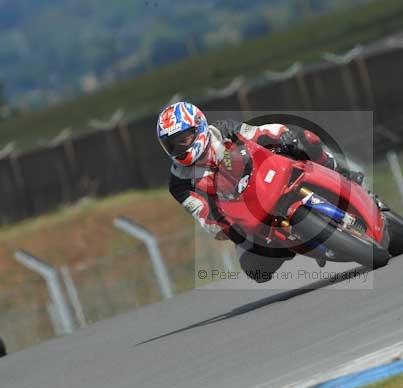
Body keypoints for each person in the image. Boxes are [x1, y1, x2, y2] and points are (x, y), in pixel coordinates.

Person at [157, 101, 377, 282]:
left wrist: (282, 135)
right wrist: (225, 226)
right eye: (172, 145)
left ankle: (342, 173)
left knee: (305, 141)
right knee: (256, 270)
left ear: (199, 127)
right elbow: (204, 215)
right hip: (244, 213)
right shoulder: (179, 183)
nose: (180, 148)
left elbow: (260, 133)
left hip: (269, 175)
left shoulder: (224, 131)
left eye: (183, 139)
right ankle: (292, 243)